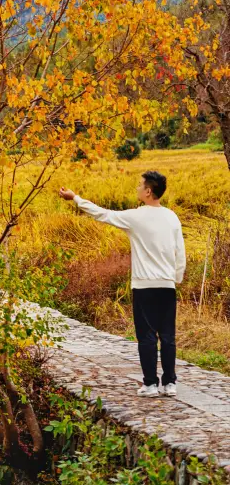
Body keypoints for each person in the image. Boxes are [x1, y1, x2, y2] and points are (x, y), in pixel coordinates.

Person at [59, 170, 186, 398]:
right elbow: (180, 254)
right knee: (168, 336)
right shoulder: (172, 217)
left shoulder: (136, 217)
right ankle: (170, 383)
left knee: (146, 336)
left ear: (148, 191)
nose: (137, 188)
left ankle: (150, 384)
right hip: (167, 286)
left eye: (140, 185)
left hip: (144, 286)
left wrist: (75, 198)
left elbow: (102, 214)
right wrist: (175, 278)